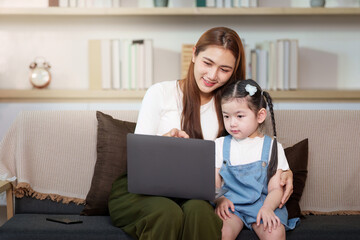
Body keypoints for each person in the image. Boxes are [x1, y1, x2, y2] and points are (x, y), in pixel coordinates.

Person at [108, 27, 294, 240]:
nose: (212, 75)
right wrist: (164, 142)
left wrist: (284, 171)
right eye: (207, 63)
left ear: (233, 72)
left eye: (224, 69)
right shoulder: (160, 93)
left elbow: (249, 146)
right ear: (194, 54)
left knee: (200, 212)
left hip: (195, 195)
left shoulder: (229, 108)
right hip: (143, 191)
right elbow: (138, 159)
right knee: (167, 213)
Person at [214, 79, 299, 240]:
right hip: (232, 206)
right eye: (226, 116)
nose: (232, 123)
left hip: (263, 204)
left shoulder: (273, 147)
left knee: (274, 232)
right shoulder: (219, 145)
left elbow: (275, 189)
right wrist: (220, 199)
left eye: (239, 116)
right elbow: (214, 182)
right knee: (222, 232)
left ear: (260, 115)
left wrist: (267, 208)